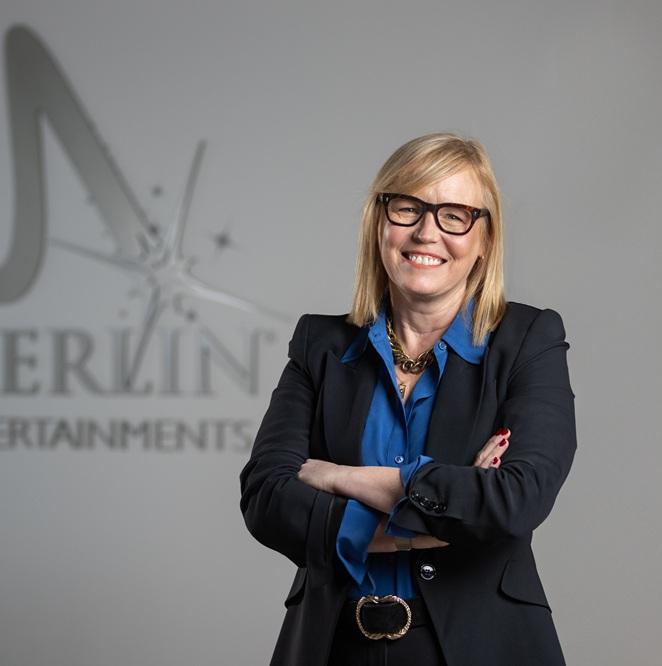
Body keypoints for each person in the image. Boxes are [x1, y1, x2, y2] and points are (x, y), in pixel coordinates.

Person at [239, 132, 576, 666]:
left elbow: (517, 500)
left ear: (485, 238)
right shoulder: (320, 344)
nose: (426, 231)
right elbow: (265, 499)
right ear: (379, 223)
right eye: (407, 207)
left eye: (455, 215)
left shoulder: (528, 340)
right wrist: (435, 519)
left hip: (481, 649)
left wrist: (340, 477)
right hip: (332, 648)